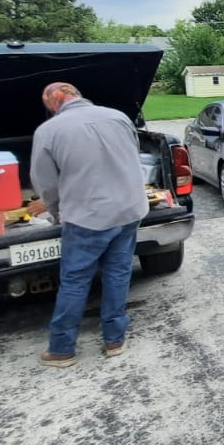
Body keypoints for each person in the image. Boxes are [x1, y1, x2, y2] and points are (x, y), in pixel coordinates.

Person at [30, 82, 148, 367]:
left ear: (53, 104)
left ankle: (61, 349)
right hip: (129, 211)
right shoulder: (119, 117)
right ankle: (114, 340)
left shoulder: (49, 131)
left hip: (88, 217)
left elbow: (45, 184)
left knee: (74, 281)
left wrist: (56, 212)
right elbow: (132, 157)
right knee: (118, 274)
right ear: (78, 96)